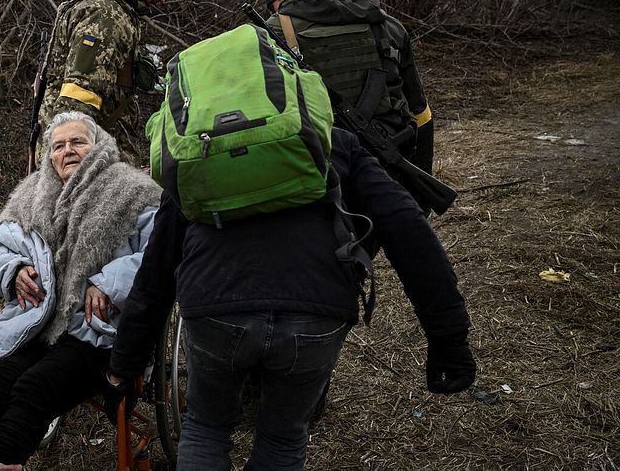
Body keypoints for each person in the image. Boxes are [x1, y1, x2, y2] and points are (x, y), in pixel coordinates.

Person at [105, 128, 477, 470]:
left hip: (216, 304)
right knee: (282, 437)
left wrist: (125, 364)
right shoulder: (334, 139)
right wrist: (448, 337)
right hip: (315, 309)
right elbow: (407, 227)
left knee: (206, 428)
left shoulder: (197, 149)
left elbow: (157, 269)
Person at [0, 111, 161, 467]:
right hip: (35, 325)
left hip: (95, 332)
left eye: (77, 142)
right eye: (58, 146)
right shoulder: (30, 195)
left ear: (98, 147)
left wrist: (109, 283)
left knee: (34, 388)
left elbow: (159, 257)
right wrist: (12, 270)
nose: (67, 151)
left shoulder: (133, 189)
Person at [264, 0, 435, 179]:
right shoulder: (385, 22)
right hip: (389, 165)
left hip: (315, 165)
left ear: (281, 0)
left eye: (274, 8)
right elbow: (421, 112)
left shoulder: (269, 34)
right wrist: (420, 188)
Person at [35, 0, 187, 156]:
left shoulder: (106, 6)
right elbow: (78, 103)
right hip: (90, 166)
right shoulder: (106, 16)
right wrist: (74, 174)